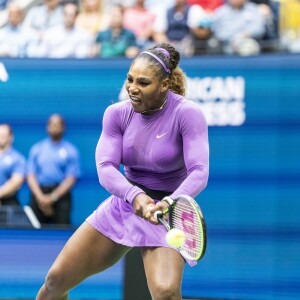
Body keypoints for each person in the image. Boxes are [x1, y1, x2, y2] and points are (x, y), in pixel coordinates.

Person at [36, 43, 209, 299]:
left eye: (143, 82)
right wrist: (134, 195)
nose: (132, 88)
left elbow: (199, 171)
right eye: (130, 79)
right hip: (124, 204)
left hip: (167, 211)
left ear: (164, 84)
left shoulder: (187, 113)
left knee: (166, 292)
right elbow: (105, 167)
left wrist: (170, 202)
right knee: (55, 281)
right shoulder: (116, 114)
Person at [26, 114, 80, 225]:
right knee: (33, 231)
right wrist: (40, 197)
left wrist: (52, 197)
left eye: (57, 124)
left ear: (63, 127)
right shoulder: (37, 148)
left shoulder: (71, 150)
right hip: (39, 193)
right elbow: (30, 175)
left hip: (60, 195)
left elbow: (71, 179)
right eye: (52, 124)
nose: (54, 127)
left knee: (62, 231)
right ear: (47, 127)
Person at [26, 2, 94, 58]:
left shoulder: (84, 35)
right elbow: (41, 54)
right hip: (54, 69)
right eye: (66, 14)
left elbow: (82, 55)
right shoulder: (50, 33)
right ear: (63, 15)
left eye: (71, 15)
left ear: (76, 16)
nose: (68, 18)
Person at [0, 123, 26, 206]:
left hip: (8, 203)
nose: (1, 137)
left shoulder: (17, 158)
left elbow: (16, 181)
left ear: (11, 137)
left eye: (3, 135)